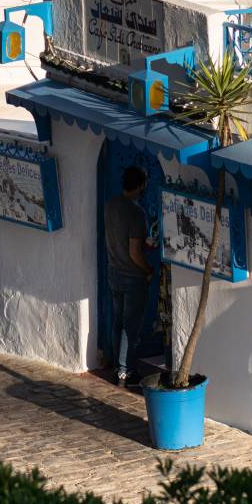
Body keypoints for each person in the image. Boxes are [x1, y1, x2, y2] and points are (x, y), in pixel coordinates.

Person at [103, 165, 156, 387]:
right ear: (141, 185)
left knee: (117, 322)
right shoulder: (136, 214)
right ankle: (125, 371)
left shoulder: (110, 205)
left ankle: (118, 364)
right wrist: (148, 269)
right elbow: (135, 252)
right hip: (132, 277)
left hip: (114, 271)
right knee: (130, 326)